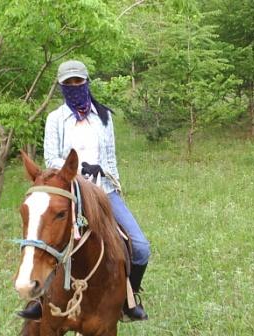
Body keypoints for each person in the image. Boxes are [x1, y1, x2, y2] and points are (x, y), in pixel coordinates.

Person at [17, 60, 150, 322]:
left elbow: (110, 157)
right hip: (69, 191)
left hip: (104, 192)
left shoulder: (104, 117)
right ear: (61, 86)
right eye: (69, 83)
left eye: (79, 82)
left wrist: (113, 185)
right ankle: (39, 300)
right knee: (46, 239)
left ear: (86, 82)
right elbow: (50, 158)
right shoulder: (56, 119)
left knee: (141, 247)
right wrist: (76, 172)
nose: (75, 86)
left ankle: (129, 298)